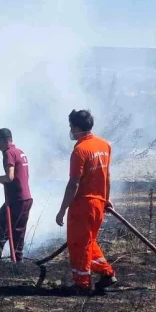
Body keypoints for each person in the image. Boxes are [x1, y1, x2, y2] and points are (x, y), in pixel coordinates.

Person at [56, 109, 117, 295]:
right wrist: (106, 199)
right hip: (98, 204)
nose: (70, 131)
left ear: (75, 127)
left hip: (83, 205)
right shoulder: (104, 145)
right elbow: (107, 177)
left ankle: (82, 284)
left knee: (78, 245)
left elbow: (73, 184)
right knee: (89, 242)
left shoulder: (80, 151)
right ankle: (107, 273)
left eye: (71, 127)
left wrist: (61, 210)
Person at [0, 128, 33, 262]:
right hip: (26, 198)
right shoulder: (20, 152)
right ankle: (18, 262)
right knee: (18, 233)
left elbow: (10, 177)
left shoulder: (8, 153)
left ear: (2, 141)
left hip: (16, 200)